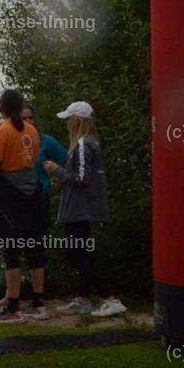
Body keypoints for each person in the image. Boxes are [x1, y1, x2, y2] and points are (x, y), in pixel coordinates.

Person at [44, 101, 126, 317]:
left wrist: (56, 170)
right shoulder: (89, 143)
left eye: (69, 119)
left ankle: (110, 298)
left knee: (79, 255)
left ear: (78, 121)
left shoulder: (82, 145)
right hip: (81, 209)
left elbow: (81, 178)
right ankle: (84, 299)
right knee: (80, 253)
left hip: (79, 209)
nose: (67, 124)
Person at [0, 89, 45, 323]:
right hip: (32, 192)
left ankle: (14, 307)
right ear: (20, 107)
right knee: (35, 249)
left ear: (2, 107)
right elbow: (33, 160)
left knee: (11, 251)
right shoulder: (32, 130)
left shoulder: (2, 131)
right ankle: (39, 303)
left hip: (8, 196)